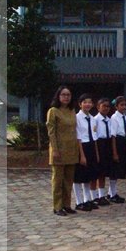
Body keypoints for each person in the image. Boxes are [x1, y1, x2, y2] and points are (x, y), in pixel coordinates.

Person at [46, 86, 79, 216]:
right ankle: (57, 206)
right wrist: (55, 149)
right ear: (58, 96)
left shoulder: (72, 111)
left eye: (68, 95)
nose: (66, 97)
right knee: (58, 180)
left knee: (68, 180)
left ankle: (67, 205)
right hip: (58, 149)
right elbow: (51, 132)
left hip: (71, 149)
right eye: (63, 95)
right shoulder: (53, 111)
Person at [73, 93, 100, 212]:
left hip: (91, 146)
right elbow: (78, 137)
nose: (87, 104)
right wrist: (82, 155)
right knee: (78, 177)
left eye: (89, 102)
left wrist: (96, 153)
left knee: (89, 176)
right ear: (80, 104)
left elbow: (94, 137)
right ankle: (79, 202)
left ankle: (87, 200)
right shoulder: (77, 118)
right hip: (81, 147)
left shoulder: (93, 119)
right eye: (85, 102)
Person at [108, 96, 126, 204]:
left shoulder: (124, 117)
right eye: (121, 105)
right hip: (117, 143)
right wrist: (115, 152)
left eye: (125, 105)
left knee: (118, 170)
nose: (124, 107)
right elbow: (113, 136)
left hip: (124, 142)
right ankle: (112, 194)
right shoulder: (114, 118)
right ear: (116, 106)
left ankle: (111, 192)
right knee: (114, 171)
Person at [92, 97, 113, 206]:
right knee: (96, 172)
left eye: (108, 106)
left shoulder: (109, 120)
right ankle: (93, 196)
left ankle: (101, 195)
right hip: (98, 144)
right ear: (98, 107)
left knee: (103, 172)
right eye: (103, 106)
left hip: (107, 144)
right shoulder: (95, 120)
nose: (106, 108)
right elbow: (94, 136)